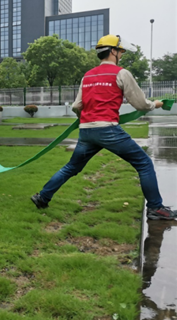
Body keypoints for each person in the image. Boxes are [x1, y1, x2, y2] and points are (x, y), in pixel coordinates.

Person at [31, 34, 176, 220]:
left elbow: (77, 106)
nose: (121, 55)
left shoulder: (88, 75)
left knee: (71, 167)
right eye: (120, 51)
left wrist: (85, 117)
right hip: (108, 130)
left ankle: (42, 197)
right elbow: (140, 104)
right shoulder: (121, 73)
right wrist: (156, 104)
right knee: (144, 163)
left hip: (87, 131)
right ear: (113, 51)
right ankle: (156, 208)